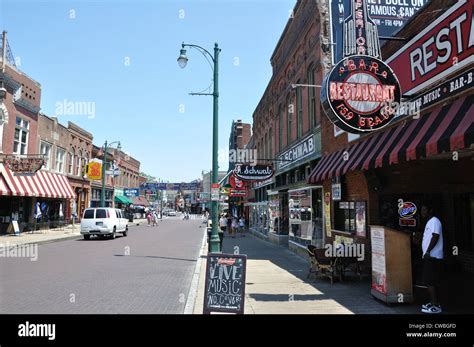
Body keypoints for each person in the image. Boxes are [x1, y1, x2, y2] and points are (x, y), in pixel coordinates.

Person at [420, 202, 443, 314]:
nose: (422, 212)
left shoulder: (434, 221)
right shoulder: (430, 221)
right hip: (429, 256)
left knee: (430, 281)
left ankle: (436, 305)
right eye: (422, 210)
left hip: (433, 256)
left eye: (425, 210)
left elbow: (436, 236)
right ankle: (433, 301)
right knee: (430, 281)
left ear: (430, 210)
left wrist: (428, 251)